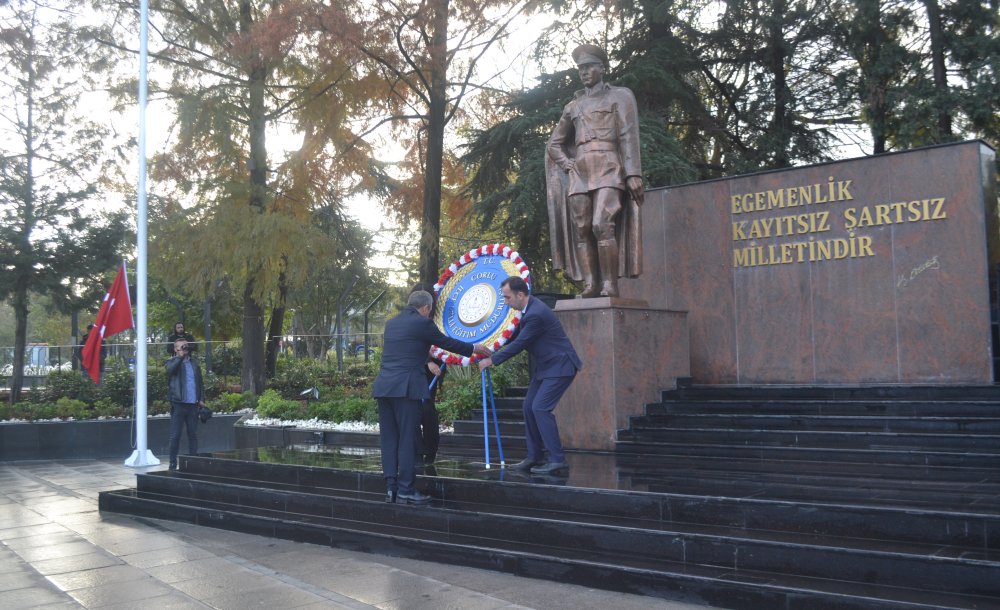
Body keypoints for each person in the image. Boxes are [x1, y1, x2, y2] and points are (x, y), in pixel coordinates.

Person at [373, 290, 491, 505]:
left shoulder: (391, 324)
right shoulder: (422, 323)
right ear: (426, 308)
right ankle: (406, 489)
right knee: (407, 439)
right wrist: (475, 348)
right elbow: (447, 343)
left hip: (384, 388)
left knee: (389, 439)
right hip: (406, 389)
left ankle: (391, 488)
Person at [546, 43, 644, 298]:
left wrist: (633, 173)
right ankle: (591, 284)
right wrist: (567, 163)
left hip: (610, 166)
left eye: (589, 67)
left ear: (602, 68)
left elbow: (628, 134)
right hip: (580, 170)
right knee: (582, 228)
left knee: (602, 224)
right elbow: (554, 143)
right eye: (580, 68)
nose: (584, 72)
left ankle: (610, 284)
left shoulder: (620, 96)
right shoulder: (573, 106)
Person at [478, 277, 581, 476]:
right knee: (528, 407)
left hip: (560, 366)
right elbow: (515, 337)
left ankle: (557, 460)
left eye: (508, 298)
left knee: (540, 408)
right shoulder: (528, 310)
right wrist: (491, 348)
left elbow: (520, 343)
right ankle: (534, 456)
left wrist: (492, 359)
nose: (506, 302)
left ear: (520, 295)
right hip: (547, 367)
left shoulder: (536, 313)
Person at [410, 282, 445, 466]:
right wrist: (428, 360)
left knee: (428, 409)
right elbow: (409, 345)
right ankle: (419, 452)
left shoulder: (435, 321)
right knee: (418, 411)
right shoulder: (409, 321)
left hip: (430, 373)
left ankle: (430, 451)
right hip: (415, 370)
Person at [165, 338, 205, 471]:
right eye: (181, 347)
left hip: (193, 405)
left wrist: (201, 398)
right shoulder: (171, 362)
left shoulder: (194, 363)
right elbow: (170, 372)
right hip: (179, 404)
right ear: (176, 349)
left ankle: (193, 461)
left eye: (185, 346)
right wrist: (180, 358)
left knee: (192, 434)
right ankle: (172, 463)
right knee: (175, 435)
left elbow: (200, 383)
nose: (184, 348)